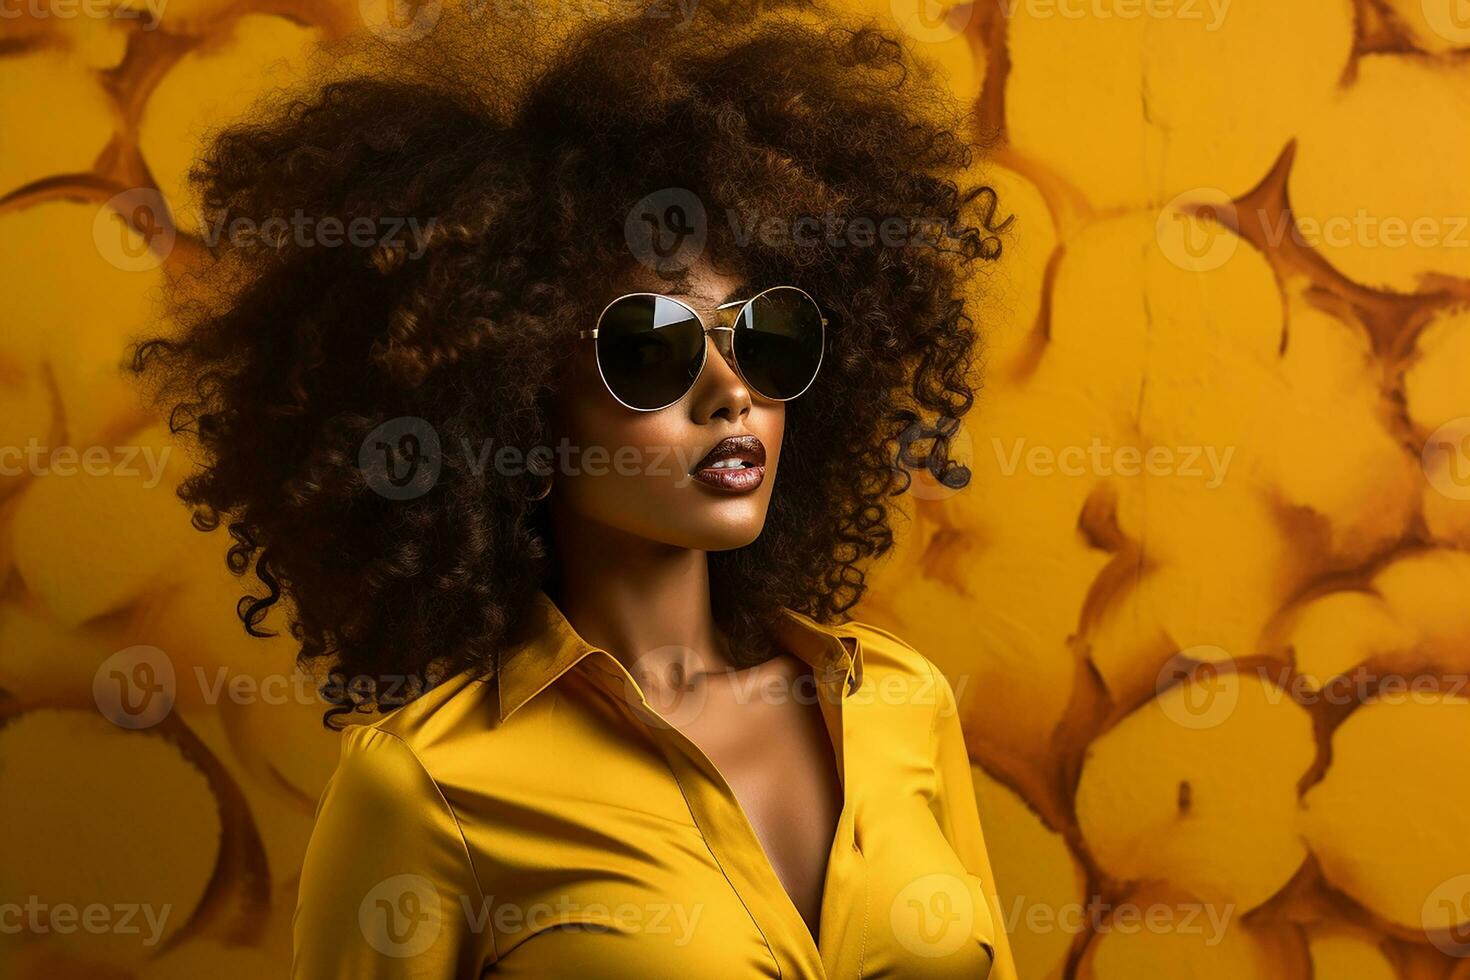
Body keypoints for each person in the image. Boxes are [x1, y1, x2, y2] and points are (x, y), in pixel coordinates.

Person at [132, 0, 1016, 975]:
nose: (732, 391)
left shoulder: (895, 700)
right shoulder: (426, 788)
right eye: (652, 348)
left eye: (766, 338)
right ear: (514, 395)